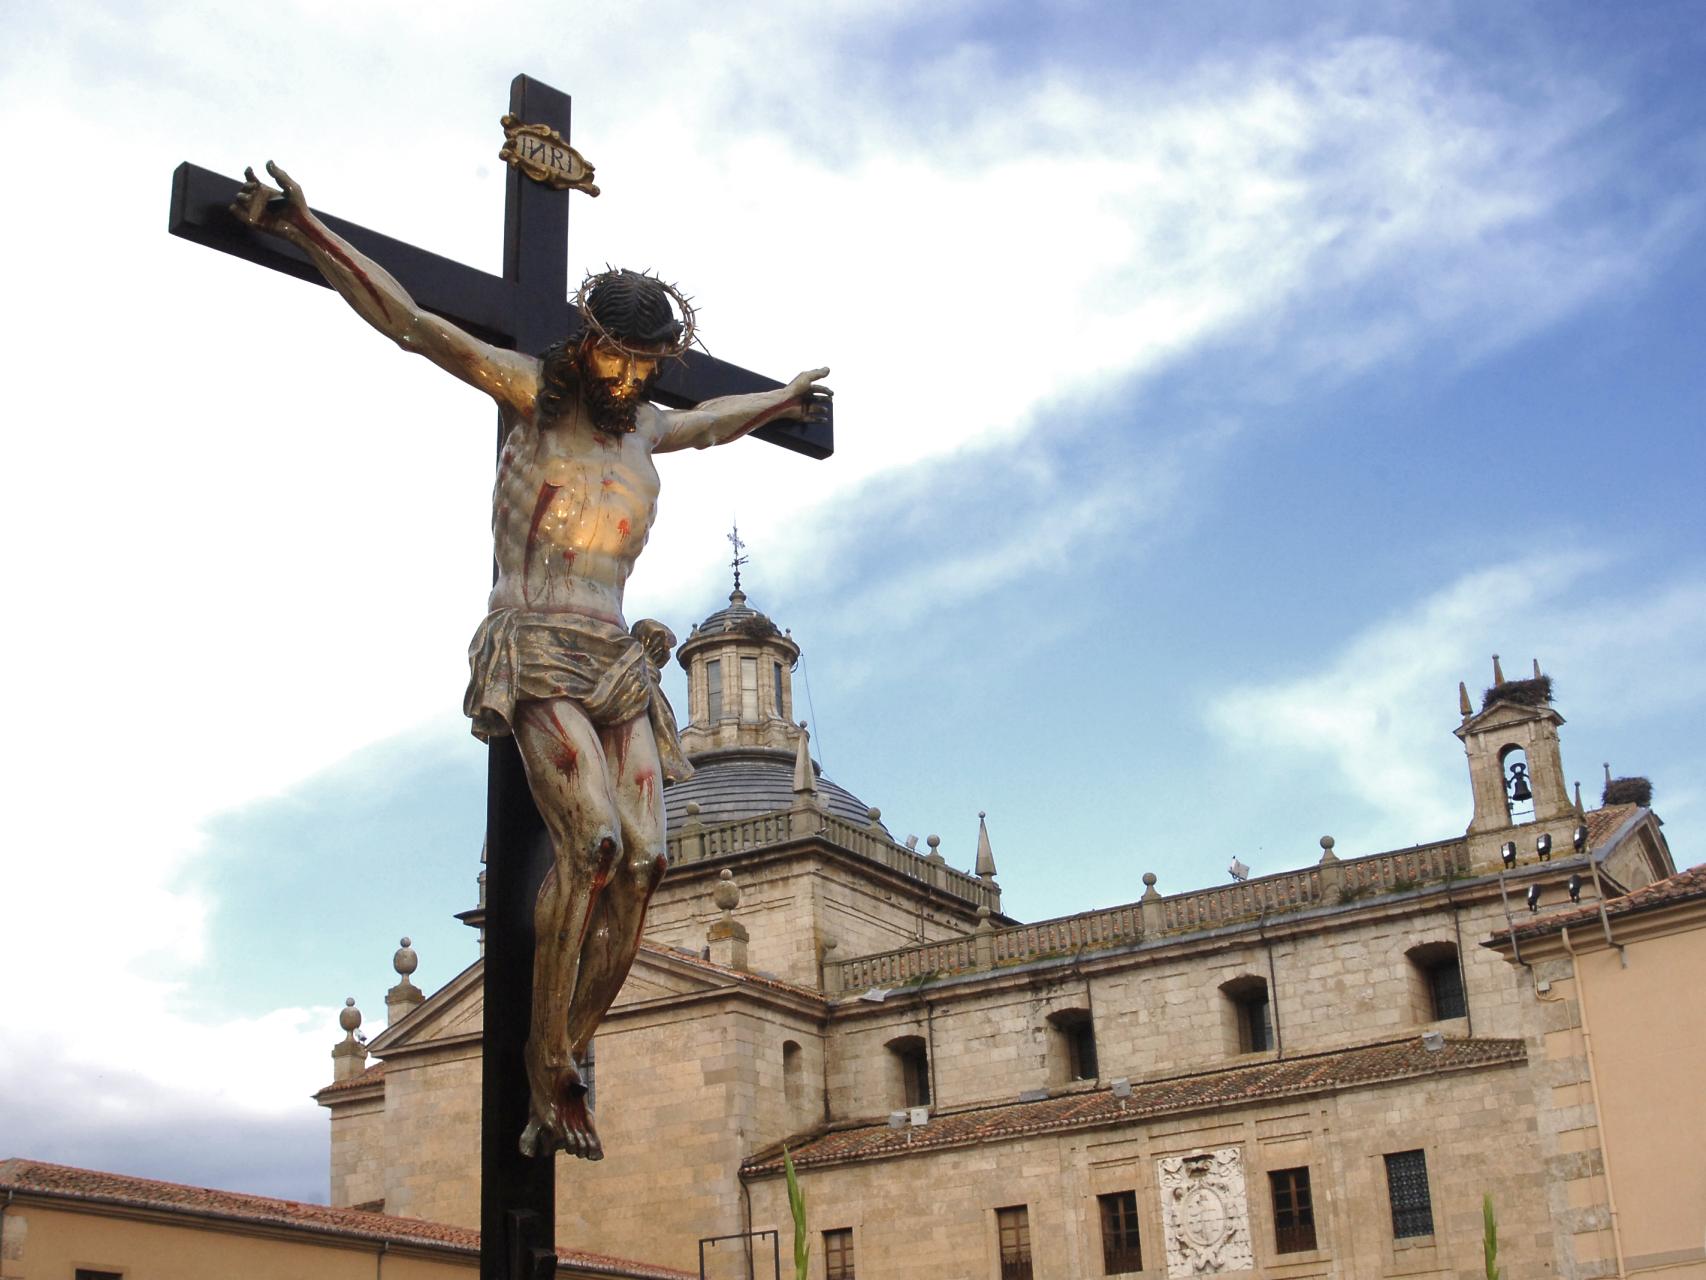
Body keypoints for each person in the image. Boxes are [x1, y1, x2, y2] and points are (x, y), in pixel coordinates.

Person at [233, 162, 830, 1159]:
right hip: (537, 644)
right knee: (592, 843)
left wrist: (782, 399)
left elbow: (710, 423)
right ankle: (544, 1057)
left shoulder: (646, 426)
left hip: (615, 657)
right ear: (588, 345)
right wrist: (306, 229)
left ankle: (562, 1052)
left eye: (650, 365)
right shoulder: (528, 398)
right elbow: (414, 323)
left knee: (645, 858)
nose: (635, 381)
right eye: (620, 361)